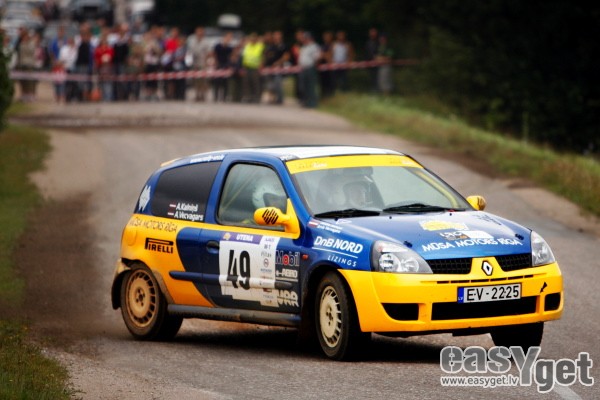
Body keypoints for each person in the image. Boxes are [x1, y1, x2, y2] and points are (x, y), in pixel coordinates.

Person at [187, 27, 212, 101]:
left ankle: (203, 95)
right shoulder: (192, 41)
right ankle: (197, 95)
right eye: (198, 32)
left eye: (201, 32)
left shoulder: (206, 42)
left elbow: (209, 53)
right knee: (196, 81)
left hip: (203, 63)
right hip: (195, 63)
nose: (199, 33)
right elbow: (189, 52)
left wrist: (206, 62)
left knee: (203, 81)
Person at [263, 30, 288, 104]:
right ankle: (271, 98)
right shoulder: (271, 46)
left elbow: (286, 56)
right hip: (270, 67)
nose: (276, 37)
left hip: (278, 68)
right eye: (275, 35)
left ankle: (279, 99)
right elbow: (267, 55)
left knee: (277, 84)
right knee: (269, 85)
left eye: (277, 35)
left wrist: (278, 62)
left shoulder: (283, 46)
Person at [298, 31, 321, 108]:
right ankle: (306, 102)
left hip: (310, 68)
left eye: (305, 38)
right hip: (303, 68)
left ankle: (312, 103)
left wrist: (314, 65)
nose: (304, 39)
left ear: (309, 38)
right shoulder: (304, 47)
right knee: (304, 86)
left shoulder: (314, 46)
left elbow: (317, 57)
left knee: (311, 86)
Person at [241, 33, 264, 103]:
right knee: (247, 83)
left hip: (255, 68)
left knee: (255, 83)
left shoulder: (259, 47)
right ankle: (248, 97)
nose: (252, 40)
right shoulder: (247, 46)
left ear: (256, 39)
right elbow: (244, 57)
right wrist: (243, 67)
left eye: (254, 39)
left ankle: (256, 97)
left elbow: (262, 56)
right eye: (251, 39)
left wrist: (261, 65)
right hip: (247, 67)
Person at [213, 32, 234, 102]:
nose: (229, 39)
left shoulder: (230, 48)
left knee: (225, 82)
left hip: (226, 65)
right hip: (219, 65)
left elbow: (231, 56)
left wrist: (230, 65)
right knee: (217, 82)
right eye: (228, 37)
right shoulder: (218, 46)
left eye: (230, 38)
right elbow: (214, 54)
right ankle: (216, 97)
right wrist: (215, 62)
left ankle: (224, 97)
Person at [94, 35, 114, 101]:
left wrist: (104, 59)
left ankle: (108, 97)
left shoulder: (109, 49)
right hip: (100, 68)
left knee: (108, 84)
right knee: (101, 84)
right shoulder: (98, 50)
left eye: (105, 43)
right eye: (102, 43)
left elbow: (109, 58)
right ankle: (102, 98)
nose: (104, 44)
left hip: (108, 69)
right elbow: (97, 59)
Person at [319, 31, 334, 98]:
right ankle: (323, 95)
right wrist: (325, 55)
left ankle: (330, 96)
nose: (326, 38)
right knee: (323, 83)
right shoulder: (322, 46)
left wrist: (324, 55)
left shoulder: (333, 45)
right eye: (325, 37)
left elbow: (329, 56)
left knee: (330, 82)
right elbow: (320, 55)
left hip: (331, 67)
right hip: (322, 68)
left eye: (328, 37)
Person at [365, 28, 379, 93]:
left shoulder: (378, 42)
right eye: (372, 32)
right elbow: (366, 53)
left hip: (378, 63)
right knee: (372, 76)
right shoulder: (368, 43)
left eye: (374, 32)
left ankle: (377, 88)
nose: (373, 34)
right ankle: (373, 88)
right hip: (370, 63)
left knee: (377, 76)